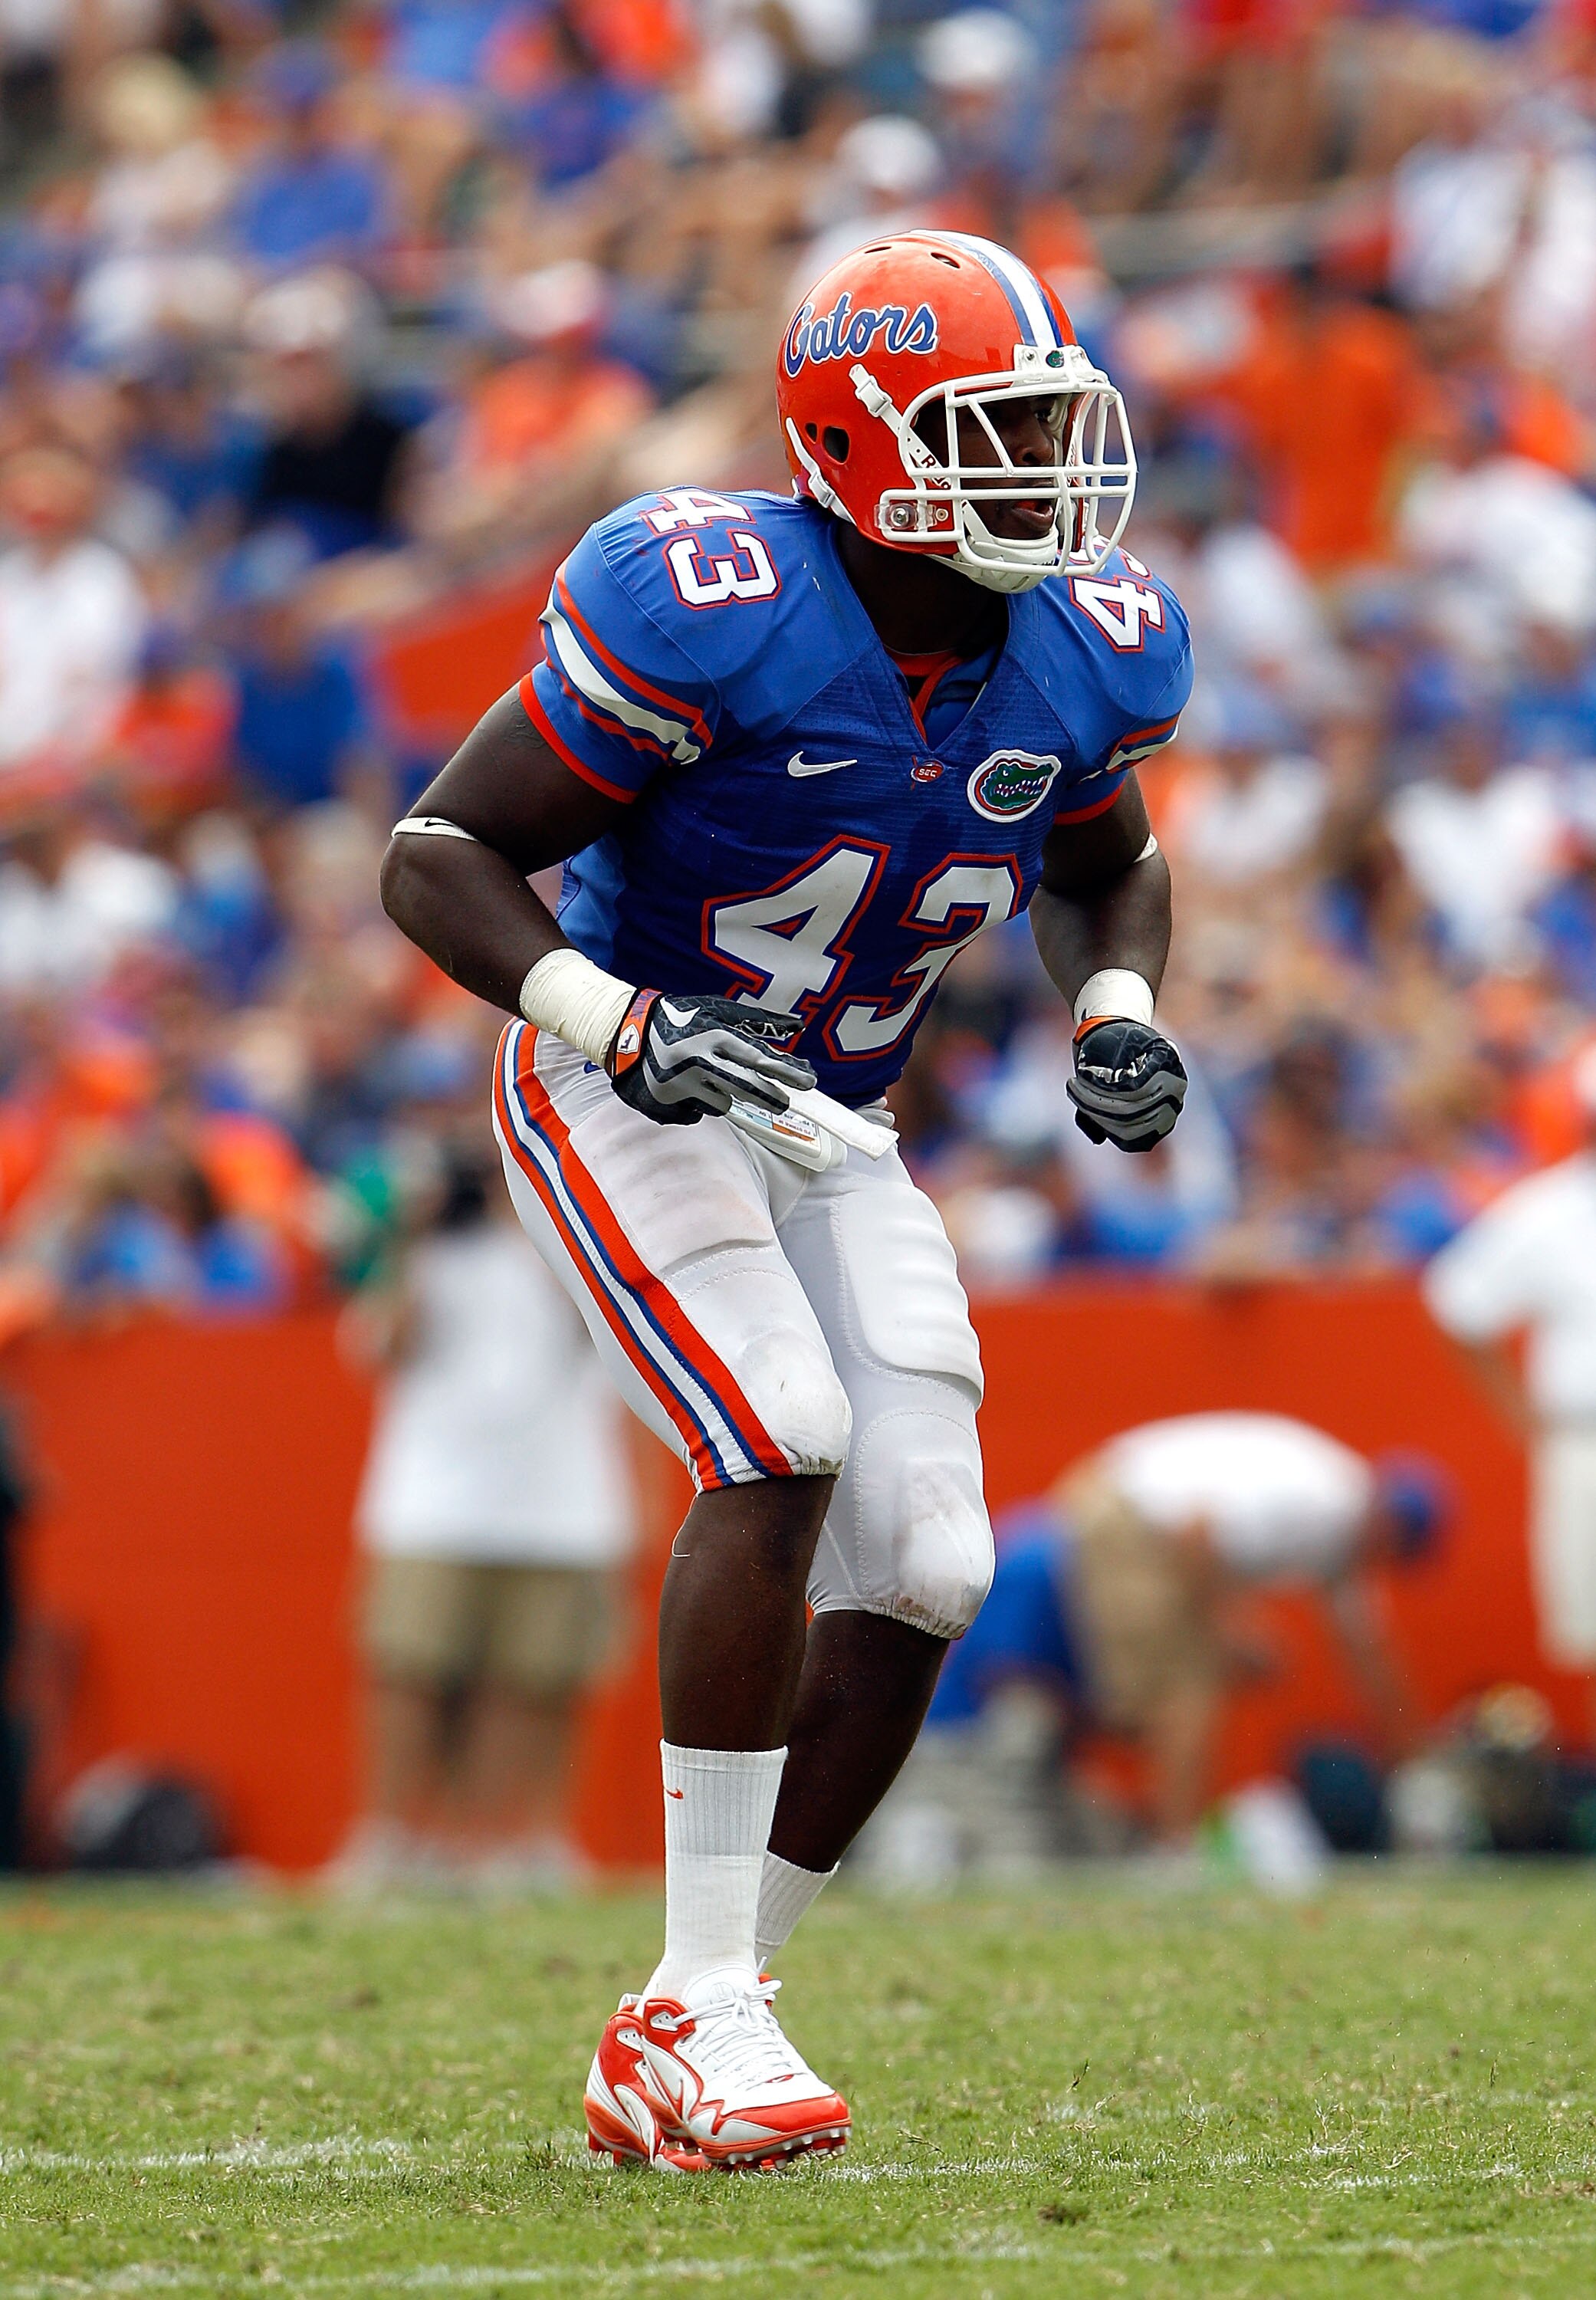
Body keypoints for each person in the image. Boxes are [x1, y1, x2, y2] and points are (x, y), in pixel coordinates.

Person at [380, 229, 1192, 2171]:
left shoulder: (1088, 637)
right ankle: (713, 2003)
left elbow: (1110, 856)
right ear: (855, 440)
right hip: (617, 1063)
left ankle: (697, 2002)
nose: (1043, 473)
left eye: (1051, 426)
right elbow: (441, 849)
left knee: (925, 1555)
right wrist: (614, 1011)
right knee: (781, 1435)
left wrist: (1117, 1003)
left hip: (825, 1109)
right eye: (994, 433)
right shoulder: (712, 597)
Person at [921, 1414, 1446, 1853]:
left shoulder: (1344, 1531)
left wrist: (1412, 1757)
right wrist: (1235, 1629)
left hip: (1145, 1517)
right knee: (1185, 1688)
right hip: (1134, 1517)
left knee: (1187, 1684)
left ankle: (1167, 1839)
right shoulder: (1327, 1505)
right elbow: (1200, 1530)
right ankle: (1173, 1850)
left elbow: (1366, 1652)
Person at [335, 1139, 635, 1892]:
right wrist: (409, 1235)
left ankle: (514, 1847)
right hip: (433, 1501)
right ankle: (394, 1841)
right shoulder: (429, 1253)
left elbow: (607, 1330)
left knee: (534, 1680)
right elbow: (386, 1343)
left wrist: (542, 1220)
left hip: (561, 1502)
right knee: (409, 1673)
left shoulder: (580, 1238)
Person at [1424, 1043, 1596, 1730]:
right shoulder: (1552, 1209)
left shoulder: (1549, 1207)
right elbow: (1458, 1300)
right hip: (1585, 1439)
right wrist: (1519, 1416)